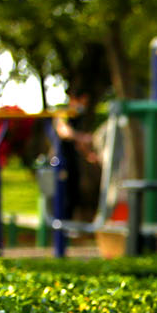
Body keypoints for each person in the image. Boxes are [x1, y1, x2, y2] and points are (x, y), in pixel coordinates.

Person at [53, 89, 98, 222]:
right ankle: (60, 224)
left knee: (73, 192)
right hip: (60, 160)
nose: (84, 105)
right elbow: (64, 132)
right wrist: (81, 137)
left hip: (72, 160)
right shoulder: (64, 113)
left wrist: (88, 154)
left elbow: (78, 143)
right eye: (83, 100)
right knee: (63, 192)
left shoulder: (77, 117)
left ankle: (68, 224)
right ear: (74, 99)